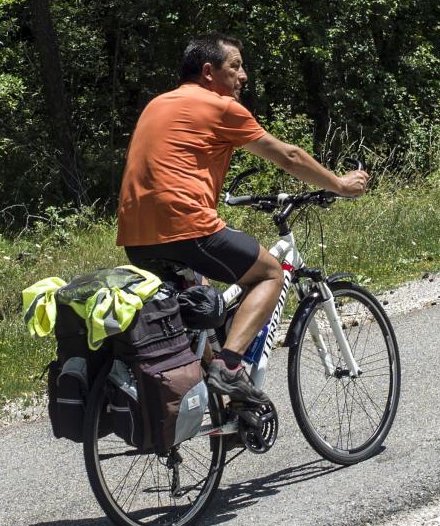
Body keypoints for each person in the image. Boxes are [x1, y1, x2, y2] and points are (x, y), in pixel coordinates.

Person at [117, 34, 369, 404]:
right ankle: (230, 367)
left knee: (204, 317)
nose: (244, 75)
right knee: (269, 272)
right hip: (187, 227)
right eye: (235, 66)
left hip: (136, 238)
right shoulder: (220, 107)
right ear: (208, 72)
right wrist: (341, 185)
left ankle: (225, 412)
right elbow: (290, 157)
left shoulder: (157, 104)